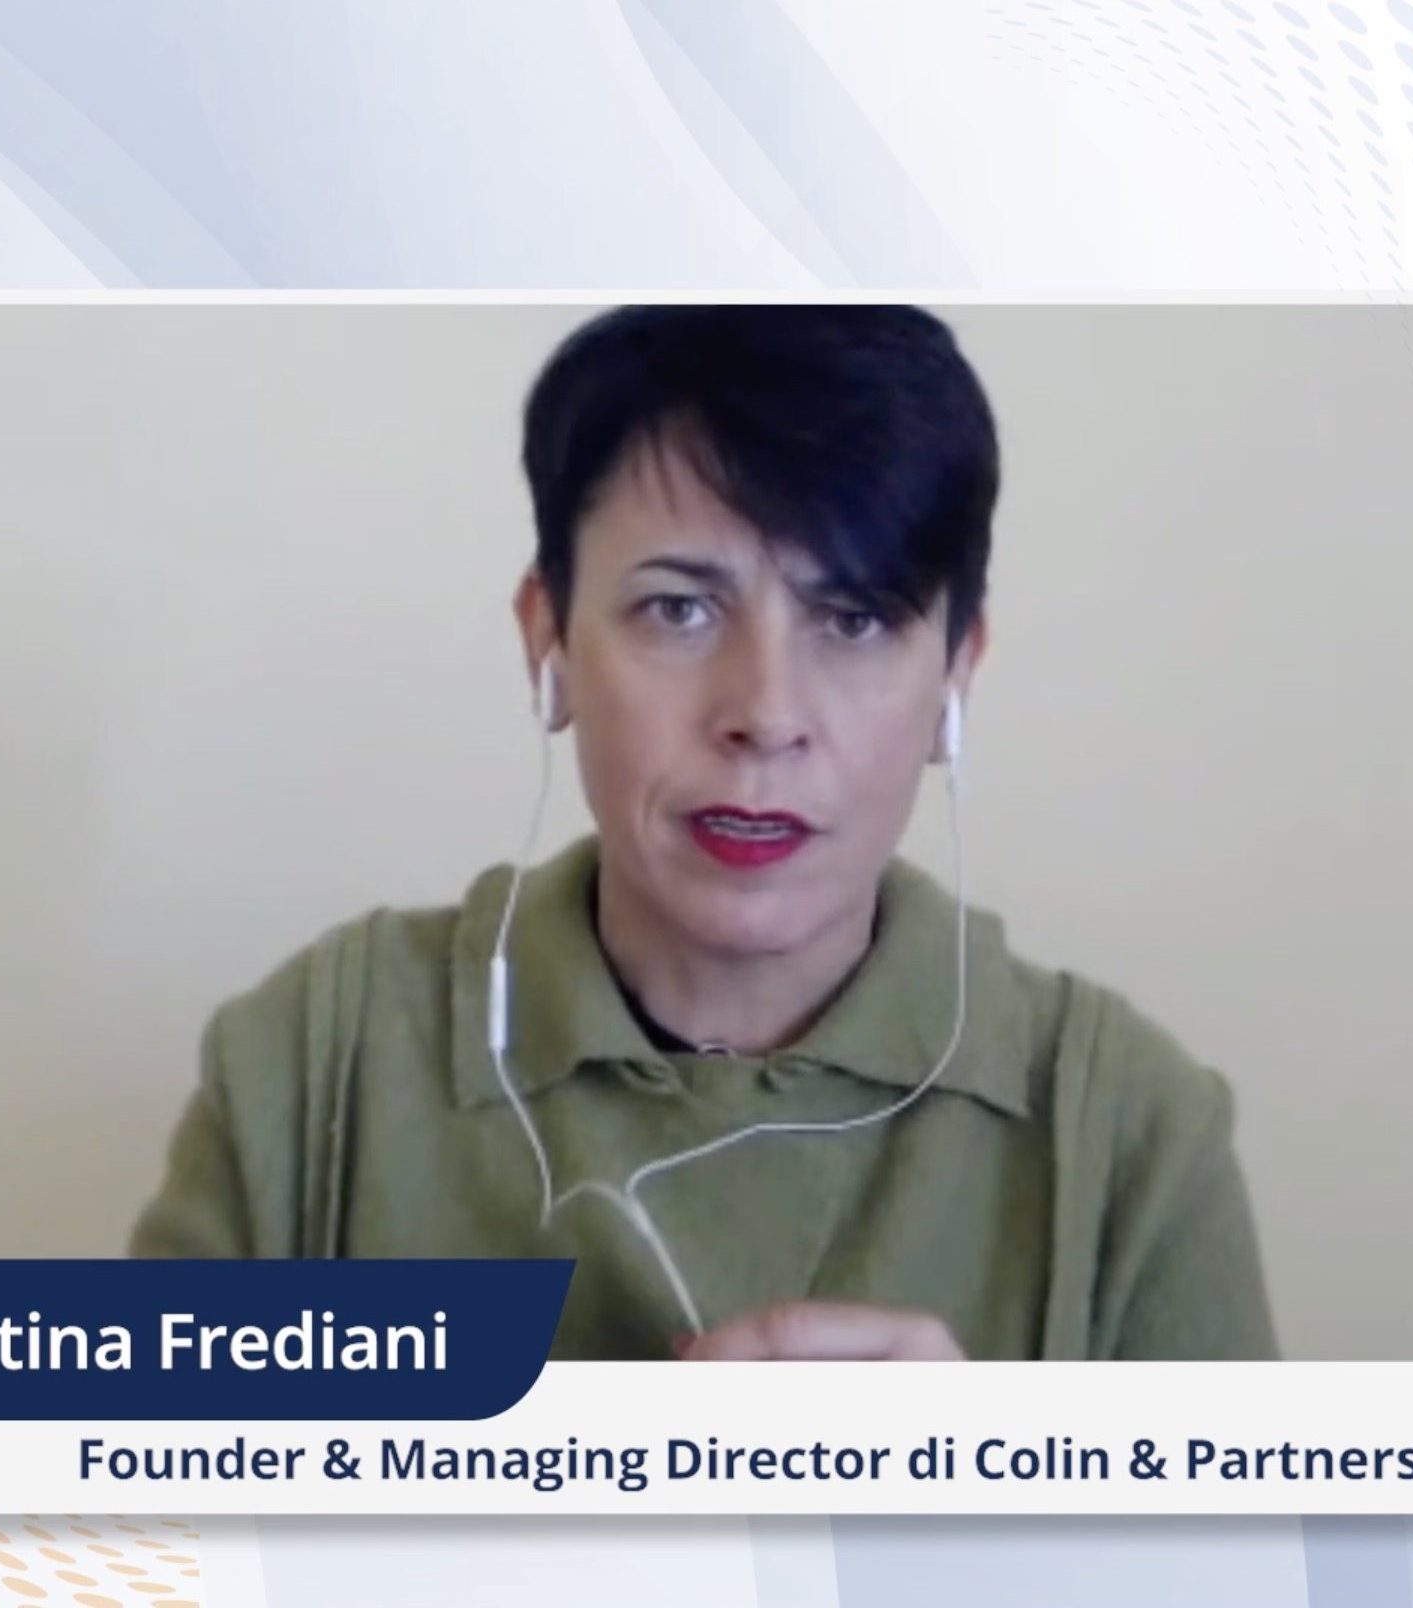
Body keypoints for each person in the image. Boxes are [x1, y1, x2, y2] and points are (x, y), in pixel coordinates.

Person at [129, 304, 1277, 1363]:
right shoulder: (316, 1066)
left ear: (955, 677)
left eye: (854, 618)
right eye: (678, 608)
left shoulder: (1129, 1136)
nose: (765, 715)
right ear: (549, 638)